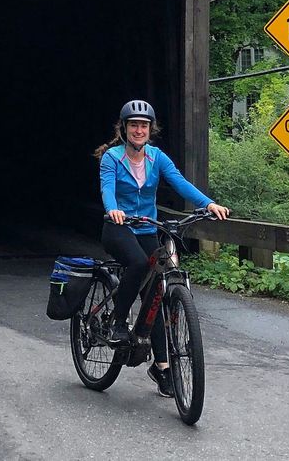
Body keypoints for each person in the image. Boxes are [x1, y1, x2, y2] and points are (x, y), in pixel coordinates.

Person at [96, 98, 230, 398]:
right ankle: (118, 322)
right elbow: (107, 188)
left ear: (150, 130)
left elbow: (180, 184)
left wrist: (207, 203)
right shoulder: (112, 158)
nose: (139, 130)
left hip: (147, 229)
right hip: (118, 228)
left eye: (144, 126)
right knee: (140, 265)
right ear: (124, 129)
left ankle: (163, 368)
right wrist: (113, 208)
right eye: (134, 125)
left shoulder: (157, 158)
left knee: (155, 295)